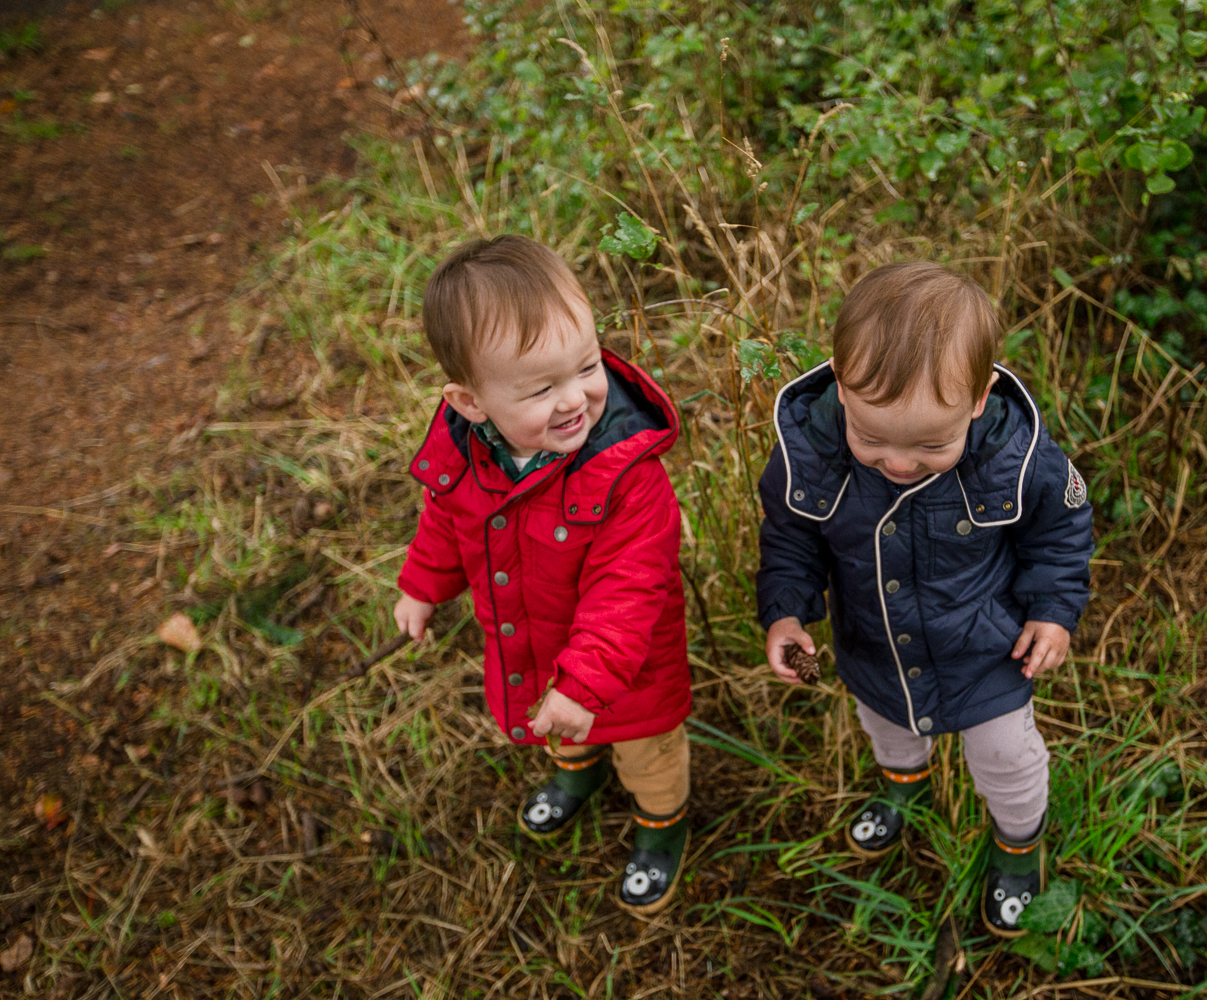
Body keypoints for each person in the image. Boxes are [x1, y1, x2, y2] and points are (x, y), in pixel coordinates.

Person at [755, 261, 1093, 935]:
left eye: (931, 444)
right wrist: (786, 610)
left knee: (1007, 757)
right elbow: (791, 539)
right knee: (887, 724)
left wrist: (1053, 613)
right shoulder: (812, 455)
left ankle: (1018, 845)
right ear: (844, 387)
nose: (900, 463)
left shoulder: (1015, 458)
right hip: (873, 643)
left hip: (986, 651)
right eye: (873, 440)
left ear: (978, 396)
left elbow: (1059, 537)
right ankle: (902, 787)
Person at [393, 235, 692, 916]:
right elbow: (447, 520)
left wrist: (586, 681)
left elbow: (629, 589)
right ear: (470, 402)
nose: (574, 400)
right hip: (533, 644)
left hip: (628, 668)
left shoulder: (628, 477)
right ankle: (575, 773)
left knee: (648, 757)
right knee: (555, 726)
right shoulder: (466, 452)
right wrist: (422, 584)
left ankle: (660, 827)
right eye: (539, 388)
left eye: (587, 367)